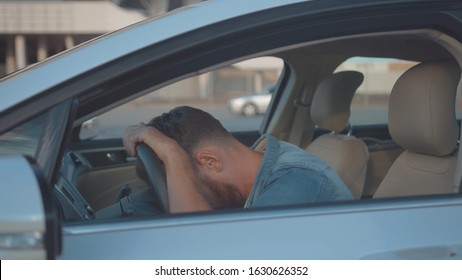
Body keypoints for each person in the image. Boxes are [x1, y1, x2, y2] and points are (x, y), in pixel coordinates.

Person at [123, 106, 353, 213]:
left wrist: (172, 154)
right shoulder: (262, 172)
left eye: (185, 180)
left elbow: (210, 258)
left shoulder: (299, 180)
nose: (182, 191)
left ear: (211, 162)